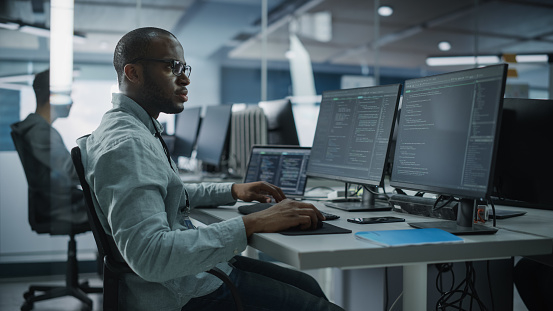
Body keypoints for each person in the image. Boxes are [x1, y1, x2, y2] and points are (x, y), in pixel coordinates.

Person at [77, 27, 344, 311]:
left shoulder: (130, 129)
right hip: (179, 291)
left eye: (184, 67)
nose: (185, 78)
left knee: (308, 286)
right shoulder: (129, 143)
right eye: (172, 66)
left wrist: (232, 190)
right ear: (133, 73)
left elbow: (166, 192)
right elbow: (151, 256)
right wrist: (254, 222)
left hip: (184, 276)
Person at [11, 69, 88, 225]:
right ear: (52, 96)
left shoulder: (37, 129)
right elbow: (73, 173)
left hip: (63, 202)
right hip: (65, 207)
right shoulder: (40, 131)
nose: (71, 102)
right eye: (67, 95)